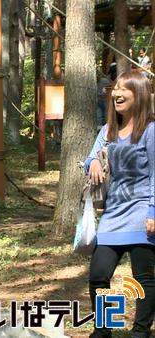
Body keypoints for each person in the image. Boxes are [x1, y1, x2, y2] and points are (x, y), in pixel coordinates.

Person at [85, 71, 154, 338]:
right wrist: (92, 162)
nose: (117, 93)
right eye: (116, 88)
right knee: (99, 275)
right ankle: (104, 331)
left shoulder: (150, 130)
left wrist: (153, 211)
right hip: (112, 215)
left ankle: (140, 332)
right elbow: (92, 156)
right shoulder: (108, 130)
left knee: (144, 278)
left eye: (125, 88)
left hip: (142, 213)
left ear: (139, 95)